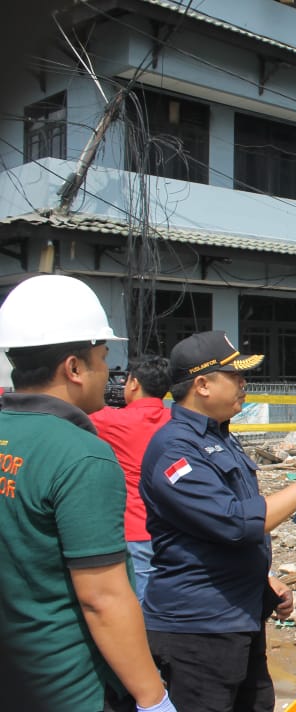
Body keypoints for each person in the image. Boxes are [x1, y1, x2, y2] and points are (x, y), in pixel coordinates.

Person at [0, 274, 175, 712]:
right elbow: (103, 598)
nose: (108, 373)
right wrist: (153, 698)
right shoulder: (81, 455)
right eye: (102, 359)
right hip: (67, 686)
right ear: (74, 368)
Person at [140, 330, 296, 711]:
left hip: (236, 618)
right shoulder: (175, 450)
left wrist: (263, 578)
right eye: (234, 376)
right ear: (202, 384)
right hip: (197, 630)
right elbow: (234, 522)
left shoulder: (220, 438)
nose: (243, 384)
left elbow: (210, 534)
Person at [90, 354, 173, 601]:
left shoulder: (110, 421)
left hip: (136, 528)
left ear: (134, 384)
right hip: (174, 528)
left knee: (140, 605)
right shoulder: (176, 420)